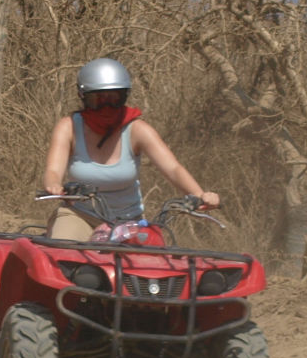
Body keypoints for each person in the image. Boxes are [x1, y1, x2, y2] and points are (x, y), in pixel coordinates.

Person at [39, 57, 220, 239]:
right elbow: (53, 170)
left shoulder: (137, 130)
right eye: (98, 99)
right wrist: (53, 185)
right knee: (64, 254)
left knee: (150, 261)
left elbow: (173, 168)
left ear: (124, 96)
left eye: (114, 98)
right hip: (79, 216)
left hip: (128, 221)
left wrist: (199, 194)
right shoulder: (68, 127)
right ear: (83, 97)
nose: (107, 106)